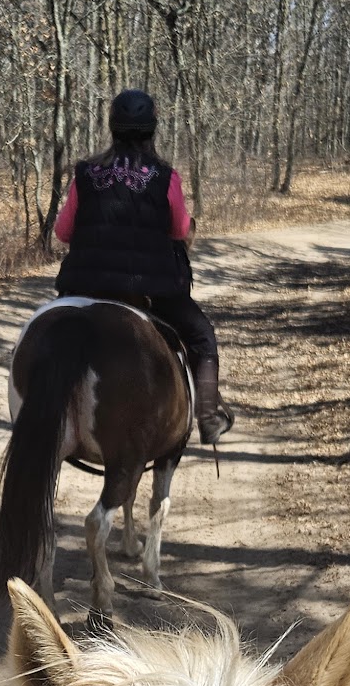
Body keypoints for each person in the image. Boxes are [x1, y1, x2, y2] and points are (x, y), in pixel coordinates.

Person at [53, 88, 233, 444]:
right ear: (152, 130)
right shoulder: (165, 176)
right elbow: (181, 229)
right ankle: (209, 418)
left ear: (112, 129)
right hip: (149, 290)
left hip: (83, 287)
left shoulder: (86, 173)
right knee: (201, 336)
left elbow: (62, 232)